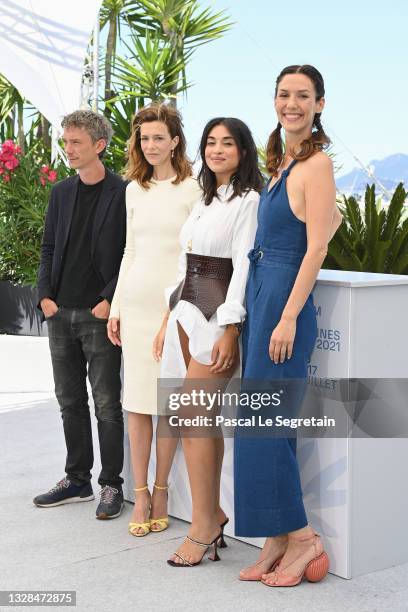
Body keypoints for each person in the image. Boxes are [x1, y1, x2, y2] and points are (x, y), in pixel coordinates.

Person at [234, 65, 343, 587]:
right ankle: (276, 536)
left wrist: (288, 317)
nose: (291, 104)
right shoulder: (282, 163)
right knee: (255, 422)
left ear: (319, 104)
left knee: (269, 424)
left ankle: (302, 539)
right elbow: (327, 223)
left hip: (283, 303)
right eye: (284, 94)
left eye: (303, 96)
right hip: (263, 295)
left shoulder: (316, 164)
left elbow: (317, 245)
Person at [155, 117, 263, 566]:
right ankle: (211, 513)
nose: (218, 150)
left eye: (228, 143)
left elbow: (242, 266)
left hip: (218, 318)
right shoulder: (204, 199)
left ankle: (203, 526)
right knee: (200, 417)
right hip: (184, 314)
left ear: (243, 151)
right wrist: (167, 318)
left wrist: (231, 327)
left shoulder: (250, 200)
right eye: (211, 142)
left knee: (194, 413)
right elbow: (185, 264)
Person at [107, 103, 200, 537]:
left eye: (159, 137)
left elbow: (193, 259)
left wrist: (170, 315)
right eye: (144, 138)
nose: (151, 145)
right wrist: (120, 306)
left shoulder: (193, 189)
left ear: (176, 141)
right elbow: (130, 252)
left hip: (173, 309)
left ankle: (162, 489)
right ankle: (139, 492)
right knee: (137, 404)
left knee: (168, 404)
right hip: (136, 307)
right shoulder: (134, 189)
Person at [34, 110, 127, 519]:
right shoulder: (61, 192)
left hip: (98, 313)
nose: (68, 149)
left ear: (99, 145)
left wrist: (110, 297)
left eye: (75, 142)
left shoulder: (123, 192)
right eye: (66, 141)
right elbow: (49, 247)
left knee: (107, 403)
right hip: (60, 313)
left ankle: (112, 485)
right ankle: (77, 480)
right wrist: (44, 297)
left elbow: (131, 251)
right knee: (69, 400)